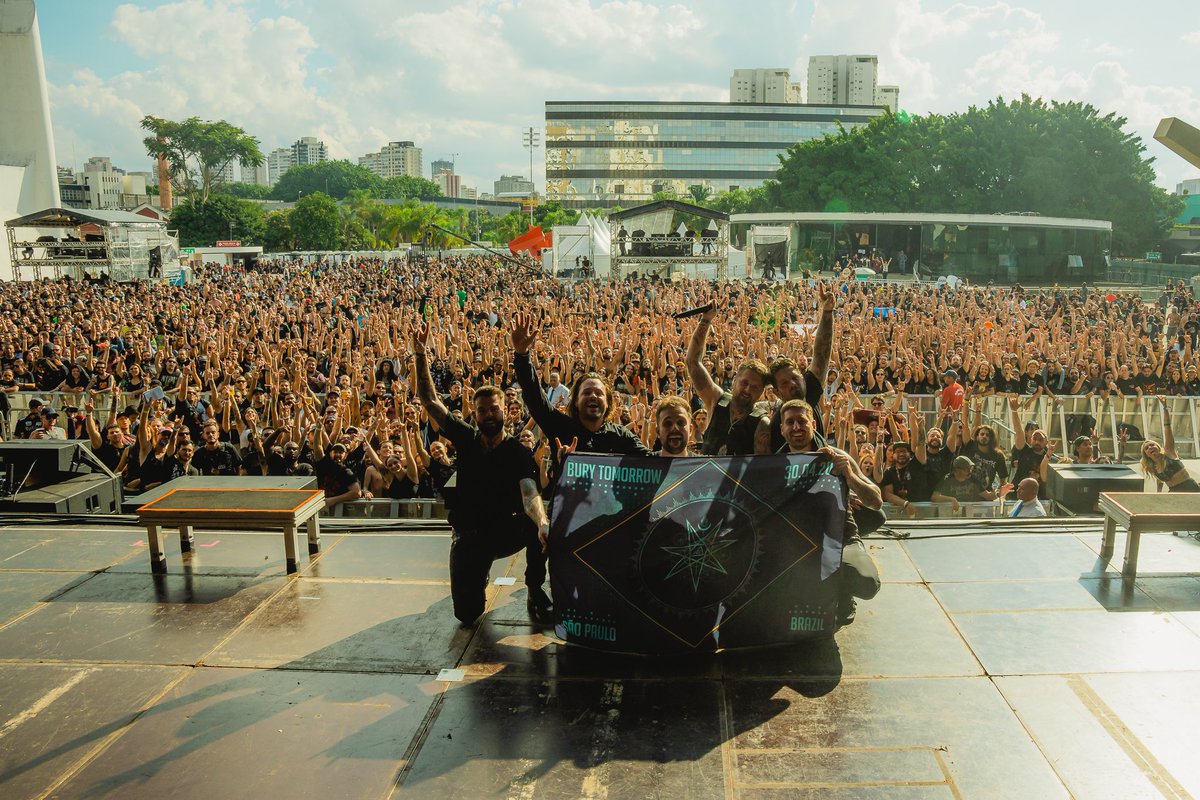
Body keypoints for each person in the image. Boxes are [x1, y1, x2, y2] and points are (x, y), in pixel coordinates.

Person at [415, 320, 553, 625]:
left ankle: (534, 586)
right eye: (482, 410)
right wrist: (420, 353)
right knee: (467, 615)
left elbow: (530, 492)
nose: (488, 414)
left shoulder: (517, 451)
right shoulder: (465, 438)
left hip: (506, 531)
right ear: (474, 414)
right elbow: (429, 401)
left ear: (504, 411)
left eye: (494, 409)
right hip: (470, 535)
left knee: (539, 524)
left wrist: (542, 520)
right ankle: (477, 571)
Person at [779, 399, 881, 625]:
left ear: (813, 424)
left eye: (802, 421)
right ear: (782, 428)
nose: (796, 427)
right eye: (790, 422)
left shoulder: (836, 456)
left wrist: (850, 477)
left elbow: (876, 502)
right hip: (797, 542)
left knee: (866, 582)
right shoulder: (775, 462)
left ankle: (844, 594)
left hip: (841, 537)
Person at [510, 310, 653, 467]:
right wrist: (522, 355)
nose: (593, 396)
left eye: (599, 393)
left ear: (608, 402)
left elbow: (652, 461)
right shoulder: (560, 427)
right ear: (576, 401)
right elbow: (534, 396)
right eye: (586, 392)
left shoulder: (621, 436)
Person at [756, 283, 835, 453]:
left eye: (795, 378)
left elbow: (821, 354)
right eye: (784, 384)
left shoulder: (808, 392)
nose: (793, 384)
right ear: (776, 393)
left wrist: (827, 312)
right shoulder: (777, 424)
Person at [686, 303, 770, 456]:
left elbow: (761, 470)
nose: (747, 389)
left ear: (762, 392)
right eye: (744, 383)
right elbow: (693, 363)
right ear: (734, 380)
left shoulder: (761, 423)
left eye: (755, 387)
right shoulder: (716, 400)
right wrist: (705, 320)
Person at [1140, 395, 1200, 492]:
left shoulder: (1169, 452)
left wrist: (1165, 408)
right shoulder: (1152, 467)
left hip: (1189, 488)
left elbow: (1167, 428)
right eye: (1147, 448)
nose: (1150, 447)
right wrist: (1158, 494)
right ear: (1146, 454)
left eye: (1152, 445)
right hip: (1173, 491)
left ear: (1158, 447)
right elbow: (1160, 481)